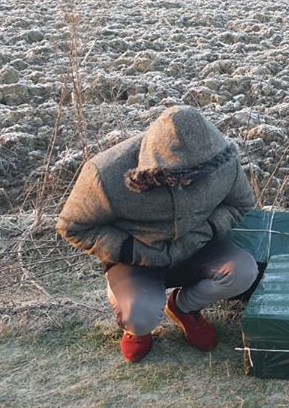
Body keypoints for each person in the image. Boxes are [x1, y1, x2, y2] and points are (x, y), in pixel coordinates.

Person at [56, 106, 258, 362]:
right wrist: (131, 250)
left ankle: (183, 308)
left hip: (199, 248)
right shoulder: (104, 173)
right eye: (180, 176)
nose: (191, 183)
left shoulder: (223, 160)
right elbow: (73, 226)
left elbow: (240, 204)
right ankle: (138, 329)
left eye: (199, 175)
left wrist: (206, 231)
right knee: (140, 317)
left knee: (244, 272)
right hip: (135, 261)